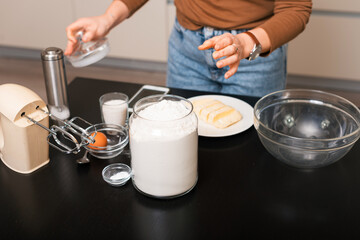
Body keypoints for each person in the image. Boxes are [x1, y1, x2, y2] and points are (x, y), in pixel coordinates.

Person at [65, 0, 312, 97]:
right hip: (186, 51)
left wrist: (245, 44)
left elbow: (295, 8)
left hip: (253, 56)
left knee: (249, 153)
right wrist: (108, 18)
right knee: (186, 139)